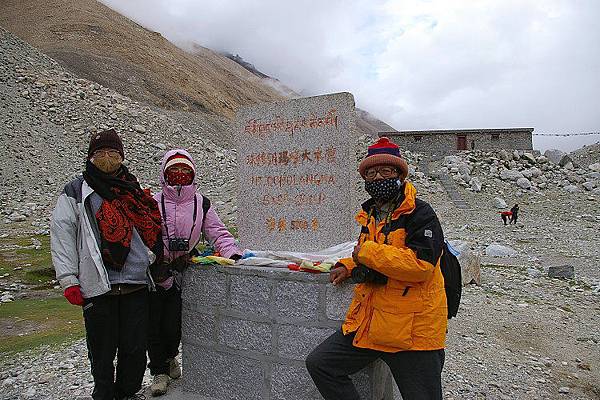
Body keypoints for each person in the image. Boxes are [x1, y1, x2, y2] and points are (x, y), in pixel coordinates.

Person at [306, 137, 447, 400]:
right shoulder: (371, 213)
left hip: (413, 331)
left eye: (386, 171)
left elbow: (421, 266)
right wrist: (348, 265)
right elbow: (364, 251)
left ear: (400, 174)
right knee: (321, 364)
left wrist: (367, 253)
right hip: (372, 321)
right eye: (371, 173)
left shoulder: (420, 213)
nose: (378, 177)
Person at [50, 129, 163, 400]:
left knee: (135, 349)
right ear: (90, 157)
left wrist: (157, 263)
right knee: (101, 352)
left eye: (113, 153)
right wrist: (68, 279)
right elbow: (62, 233)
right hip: (99, 286)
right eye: (99, 154)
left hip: (136, 284)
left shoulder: (133, 190)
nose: (107, 159)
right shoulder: (76, 191)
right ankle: (103, 395)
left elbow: (152, 229)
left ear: (122, 156)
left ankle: (128, 393)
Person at [148, 149, 242, 397]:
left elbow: (217, 232)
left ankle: (170, 358)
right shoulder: (152, 203)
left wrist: (232, 253)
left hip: (182, 273)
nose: (179, 175)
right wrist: (154, 259)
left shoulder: (202, 203)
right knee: (153, 324)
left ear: (192, 174)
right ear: (164, 174)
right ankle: (158, 371)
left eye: (185, 171)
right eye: (173, 171)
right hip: (154, 272)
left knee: (174, 324)